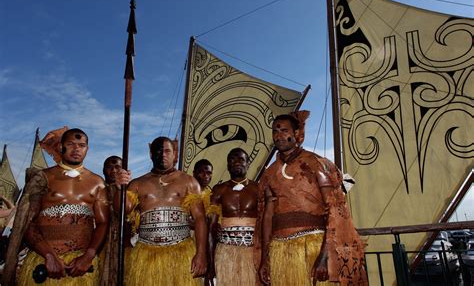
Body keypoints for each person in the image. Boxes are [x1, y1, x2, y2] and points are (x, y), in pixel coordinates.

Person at [256, 112, 367, 286]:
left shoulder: (316, 164)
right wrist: (265, 258)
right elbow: (267, 216)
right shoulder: (269, 174)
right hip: (280, 251)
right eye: (275, 131)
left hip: (313, 248)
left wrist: (325, 255)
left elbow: (333, 210)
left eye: (284, 130)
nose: (278, 135)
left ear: (297, 134)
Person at [16, 128, 109, 285]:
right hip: (43, 260)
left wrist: (88, 256)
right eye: (71, 144)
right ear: (61, 147)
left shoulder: (97, 182)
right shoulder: (43, 177)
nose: (76, 149)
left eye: (81, 145)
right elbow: (27, 221)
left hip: (81, 265)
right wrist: (49, 255)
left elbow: (103, 223)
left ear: (87, 149)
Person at [115, 136, 207, 286]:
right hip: (146, 253)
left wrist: (201, 254)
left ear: (174, 154)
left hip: (181, 252)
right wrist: (120, 189)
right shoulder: (137, 183)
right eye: (158, 151)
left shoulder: (189, 181)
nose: (163, 154)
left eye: (167, 151)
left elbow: (200, 219)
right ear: (151, 154)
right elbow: (121, 211)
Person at [210, 148, 259, 285]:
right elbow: (211, 227)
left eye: (241, 159)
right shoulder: (219, 190)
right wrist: (210, 259)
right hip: (226, 252)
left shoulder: (258, 188)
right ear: (227, 165)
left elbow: (266, 222)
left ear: (248, 164)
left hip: (252, 251)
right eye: (232, 159)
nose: (237, 162)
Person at [100, 155, 131, 286]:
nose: (113, 171)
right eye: (109, 167)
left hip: (124, 243)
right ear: (103, 170)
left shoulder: (131, 191)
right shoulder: (98, 190)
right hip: (102, 244)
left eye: (117, 167)